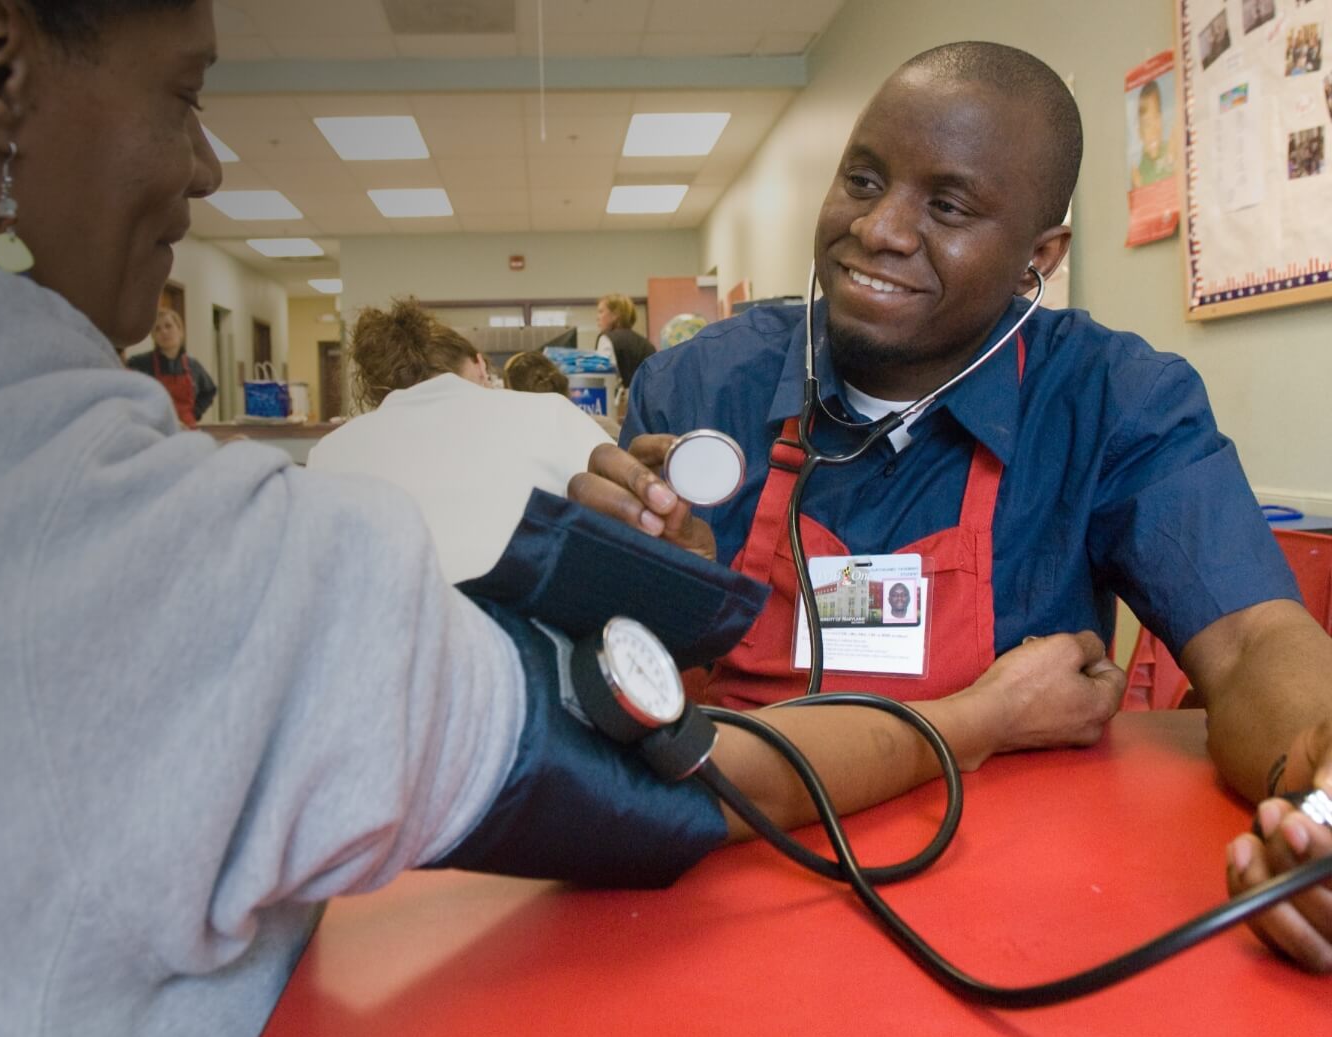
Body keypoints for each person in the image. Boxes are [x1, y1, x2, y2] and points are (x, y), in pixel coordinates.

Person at [0, 4, 1092, 1037]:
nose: (207, 166)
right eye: (186, 95)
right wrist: (983, 716)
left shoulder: (1105, 394)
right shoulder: (190, 557)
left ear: (1038, 258)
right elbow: (667, 772)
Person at [570, 41, 1332, 974]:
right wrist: (654, 584)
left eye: (948, 206)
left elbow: (1255, 639)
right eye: (862, 177)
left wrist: (1318, 783)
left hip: (1013, 913)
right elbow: (611, 699)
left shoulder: (1110, 397)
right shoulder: (697, 388)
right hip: (714, 905)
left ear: (1037, 260)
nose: (879, 229)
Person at [307, 300, 615, 582]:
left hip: (381, 627)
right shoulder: (550, 411)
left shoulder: (331, 450)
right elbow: (629, 512)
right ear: (481, 365)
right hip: (525, 623)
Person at [127, 306, 217, 426]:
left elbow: (209, 391)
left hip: (187, 429)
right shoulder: (139, 363)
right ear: (153, 336)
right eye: (157, 329)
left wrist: (195, 412)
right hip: (156, 430)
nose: (164, 332)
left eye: (168, 326)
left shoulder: (193, 365)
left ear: (180, 331)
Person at [595, 291, 658, 389]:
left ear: (615, 315)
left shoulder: (606, 339)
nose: (597, 318)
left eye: (601, 311)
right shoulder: (647, 344)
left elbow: (605, 378)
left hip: (617, 402)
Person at [1129, 79, 1174, 189]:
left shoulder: (1170, 149)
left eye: (1156, 118)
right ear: (1140, 133)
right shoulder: (1140, 172)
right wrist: (1138, 188)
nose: (1154, 130)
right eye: (1147, 124)